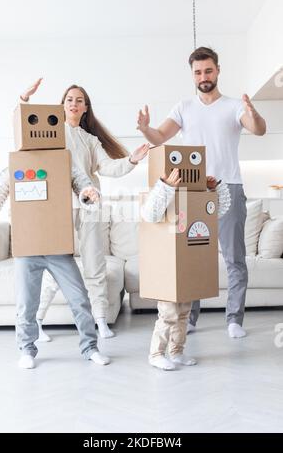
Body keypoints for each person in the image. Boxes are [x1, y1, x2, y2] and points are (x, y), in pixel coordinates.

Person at [137, 46, 266, 339]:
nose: (203, 76)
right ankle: (189, 317)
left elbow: (258, 129)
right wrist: (145, 129)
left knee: (234, 258)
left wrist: (254, 113)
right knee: (192, 255)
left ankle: (234, 319)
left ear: (218, 70)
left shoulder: (234, 106)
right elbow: (160, 136)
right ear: (192, 75)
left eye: (208, 70)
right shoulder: (183, 107)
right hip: (192, 190)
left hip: (228, 187)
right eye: (198, 72)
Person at [21, 79, 149, 340]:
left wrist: (132, 159)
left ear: (86, 107)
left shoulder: (90, 140)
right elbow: (26, 127)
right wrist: (24, 100)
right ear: (63, 104)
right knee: (54, 266)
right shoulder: (52, 132)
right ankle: (38, 320)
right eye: (69, 99)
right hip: (58, 207)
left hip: (91, 205)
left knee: (95, 264)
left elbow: (109, 168)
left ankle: (100, 321)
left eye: (79, 100)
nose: (74, 103)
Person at [0, 167, 111, 368]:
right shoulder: (13, 168)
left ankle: (90, 348)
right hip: (27, 249)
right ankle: (26, 350)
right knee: (26, 303)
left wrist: (89, 194)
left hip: (57, 247)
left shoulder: (63, 163)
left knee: (79, 299)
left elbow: (84, 188)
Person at [141, 169, 230, 370]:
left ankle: (176, 351)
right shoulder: (158, 200)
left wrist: (214, 189)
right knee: (168, 313)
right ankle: (155, 353)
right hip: (165, 267)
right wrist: (165, 186)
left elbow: (217, 210)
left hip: (186, 265)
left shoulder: (193, 201)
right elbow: (150, 214)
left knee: (183, 312)